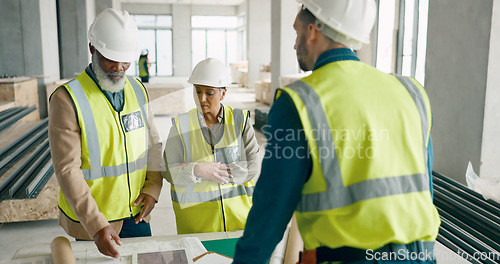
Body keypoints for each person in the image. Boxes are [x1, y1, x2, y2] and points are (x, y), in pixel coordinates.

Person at [233, 0, 440, 263]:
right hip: (422, 257)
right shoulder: (411, 92)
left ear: (313, 30)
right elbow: (425, 190)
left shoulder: (300, 102)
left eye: (297, 33)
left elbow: (270, 213)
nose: (295, 44)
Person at [48, 8, 163, 259]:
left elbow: (153, 145)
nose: (119, 67)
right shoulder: (67, 100)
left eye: (126, 60)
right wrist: (96, 224)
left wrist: (153, 188)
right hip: (93, 221)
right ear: (92, 48)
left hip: (137, 212)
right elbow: (67, 169)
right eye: (111, 58)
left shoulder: (138, 90)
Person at [162, 58, 261, 234]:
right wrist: (197, 170)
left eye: (209, 93)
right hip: (196, 226)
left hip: (240, 221)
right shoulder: (181, 125)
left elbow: (253, 165)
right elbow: (168, 170)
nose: (202, 99)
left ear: (222, 94)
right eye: (197, 91)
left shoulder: (240, 121)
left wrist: (215, 172)